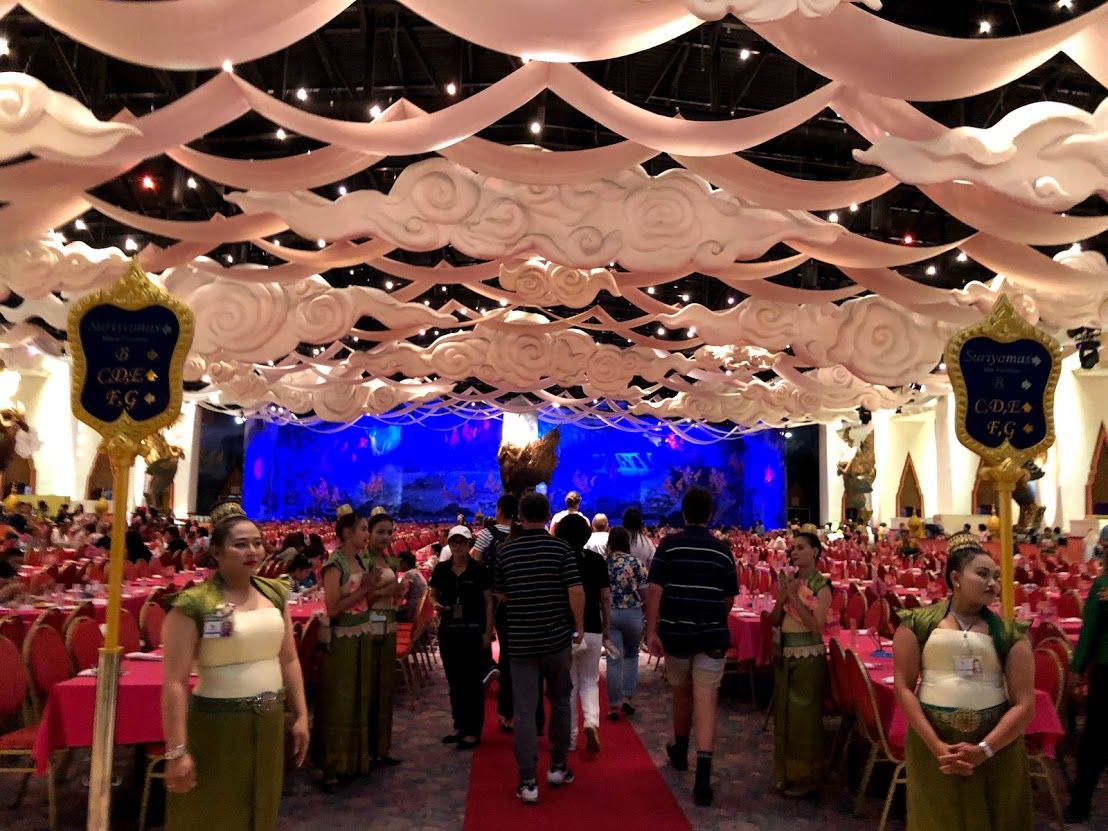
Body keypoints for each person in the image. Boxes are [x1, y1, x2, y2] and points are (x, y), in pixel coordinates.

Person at [160, 500, 309, 831]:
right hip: (217, 722)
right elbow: (175, 682)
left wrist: (300, 714)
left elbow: (288, 658)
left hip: (269, 718)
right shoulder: (195, 603)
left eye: (257, 543)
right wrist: (176, 751)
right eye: (240, 545)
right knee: (216, 812)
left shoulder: (274, 593)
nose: (252, 551)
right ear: (217, 552)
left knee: (260, 805)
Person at [892, 531, 1034, 831]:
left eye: (995, 576)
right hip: (933, 740)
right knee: (937, 818)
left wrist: (984, 749)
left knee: (997, 816)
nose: (992, 583)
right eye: (982, 574)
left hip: (995, 743)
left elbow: (1025, 703)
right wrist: (936, 746)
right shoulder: (916, 624)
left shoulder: (1011, 633)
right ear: (955, 578)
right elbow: (903, 688)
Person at [645, 487, 739, 807]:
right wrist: (713, 617)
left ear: (683, 513)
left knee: (681, 693)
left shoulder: (669, 546)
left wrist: (652, 631)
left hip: (677, 634)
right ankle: (703, 779)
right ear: (710, 515)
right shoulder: (722, 551)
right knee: (706, 700)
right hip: (712, 636)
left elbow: (655, 590)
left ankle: (680, 750)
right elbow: (728, 598)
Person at [493, 492, 584, 805]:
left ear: (520, 516)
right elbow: (575, 590)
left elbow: (501, 596)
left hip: (521, 642)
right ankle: (558, 767)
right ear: (547, 517)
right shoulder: (561, 549)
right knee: (560, 702)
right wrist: (578, 626)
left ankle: (528, 781)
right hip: (556, 640)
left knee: (524, 711)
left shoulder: (505, 551)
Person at [313, 510, 402, 792]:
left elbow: (367, 598)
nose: (367, 535)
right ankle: (332, 765)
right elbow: (333, 608)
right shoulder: (334, 565)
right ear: (347, 533)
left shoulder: (362, 560)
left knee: (359, 698)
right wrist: (365, 589)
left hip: (363, 632)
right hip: (343, 638)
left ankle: (356, 759)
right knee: (340, 700)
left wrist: (377, 590)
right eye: (364, 529)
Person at [769, 531, 832, 797]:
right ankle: (785, 773)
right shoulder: (791, 581)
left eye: (801, 547)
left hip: (808, 656)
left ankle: (806, 776)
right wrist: (784, 595)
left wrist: (794, 596)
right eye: (792, 548)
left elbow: (816, 626)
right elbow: (774, 619)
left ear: (815, 552)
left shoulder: (821, 586)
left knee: (803, 719)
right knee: (785, 715)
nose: (794, 552)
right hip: (785, 652)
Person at [430, 525, 494, 750]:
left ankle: (473, 730)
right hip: (449, 630)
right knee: (454, 681)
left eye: (462, 542)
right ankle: (459, 725)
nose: (458, 546)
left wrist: (488, 632)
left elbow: (488, 602)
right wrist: (436, 605)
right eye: (454, 542)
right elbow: (432, 594)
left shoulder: (480, 570)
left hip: (473, 630)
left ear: (469, 544)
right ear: (449, 544)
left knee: (473, 682)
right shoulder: (441, 569)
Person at [556, 513, 610, 754]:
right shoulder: (597, 560)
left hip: (565, 629)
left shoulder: (559, 560)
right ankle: (591, 721)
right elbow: (605, 598)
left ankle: (570, 738)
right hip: (593, 627)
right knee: (590, 680)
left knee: (569, 685)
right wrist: (606, 626)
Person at [1065, 535, 1108, 824]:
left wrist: (1076, 669)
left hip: (1106, 671)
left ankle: (1080, 805)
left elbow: (1090, 631)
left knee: (1094, 740)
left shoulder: (1103, 586)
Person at [472, 493, 518, 728]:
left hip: (490, 595)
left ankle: (489, 667)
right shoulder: (522, 532)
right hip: (517, 598)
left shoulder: (488, 534)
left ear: (499, 510)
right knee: (512, 652)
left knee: (484, 636)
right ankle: (513, 707)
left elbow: (474, 560)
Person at [605, 526, 647, 721]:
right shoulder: (636, 563)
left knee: (613, 659)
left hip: (611, 614)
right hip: (632, 613)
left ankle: (614, 705)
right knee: (632, 654)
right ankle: (627, 698)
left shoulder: (605, 563)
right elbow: (645, 591)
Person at [395, 551, 428, 623]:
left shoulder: (409, 574)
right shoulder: (416, 572)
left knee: (385, 614)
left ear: (404, 563)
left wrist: (395, 572)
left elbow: (400, 594)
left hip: (411, 612)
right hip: (418, 610)